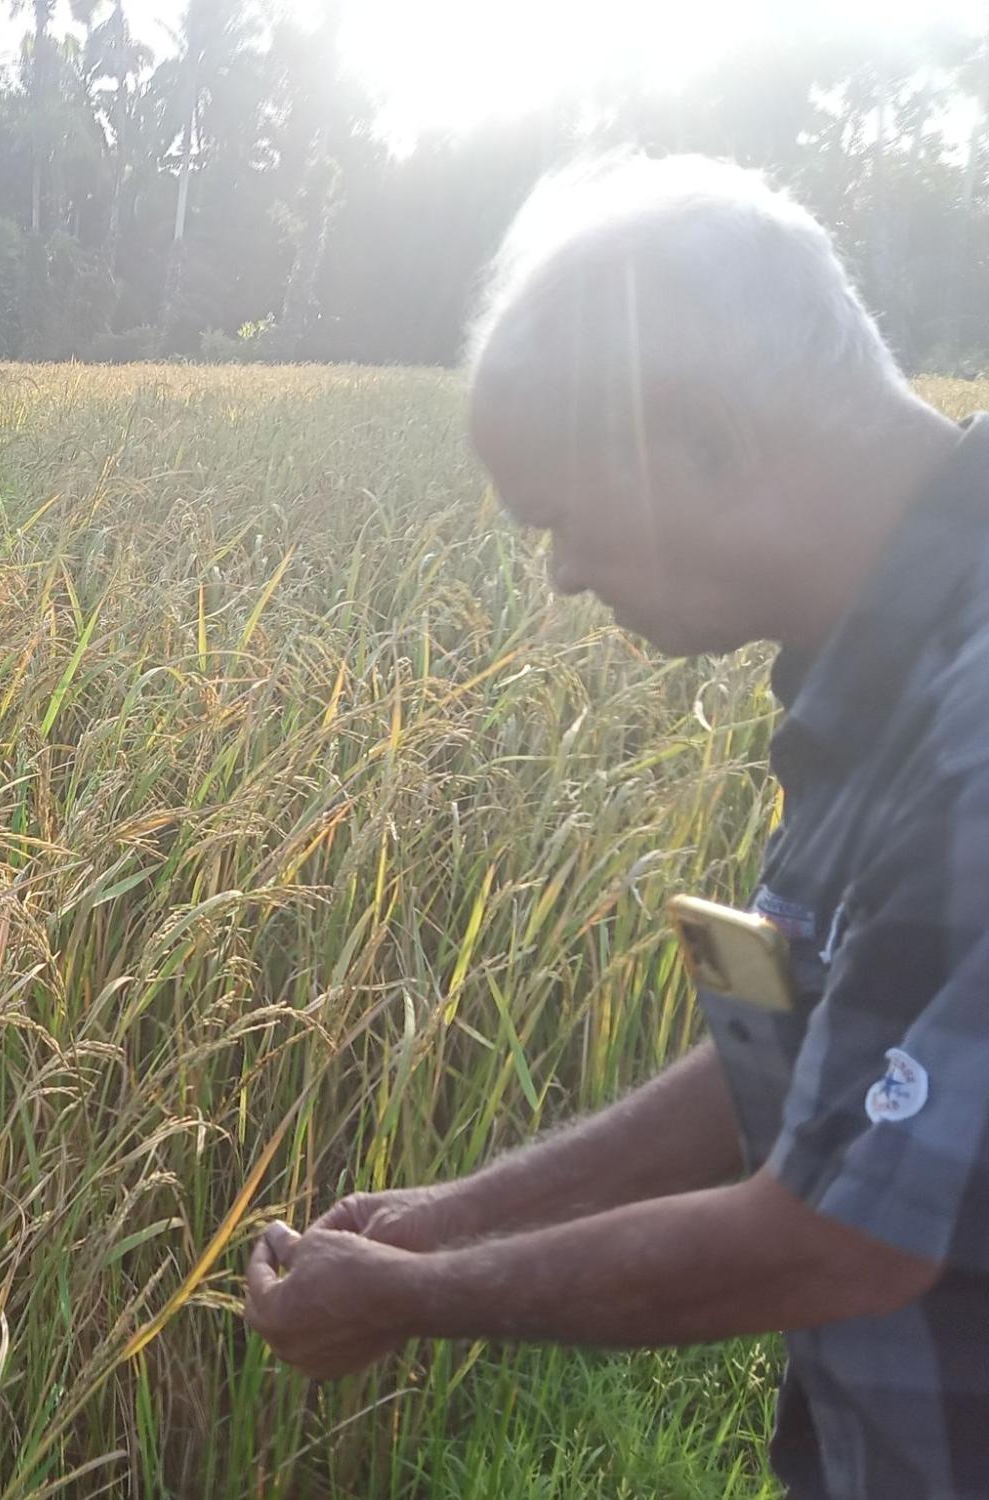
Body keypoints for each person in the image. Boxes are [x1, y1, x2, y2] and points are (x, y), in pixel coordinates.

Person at [244, 152, 989, 1500]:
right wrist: (451, 1220)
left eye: (562, 522)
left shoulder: (970, 730)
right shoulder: (861, 684)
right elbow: (816, 1039)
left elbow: (833, 1239)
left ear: (701, 437)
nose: (566, 575)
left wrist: (420, 1297)